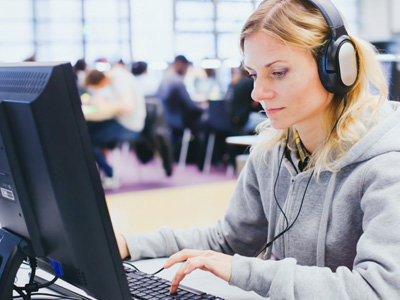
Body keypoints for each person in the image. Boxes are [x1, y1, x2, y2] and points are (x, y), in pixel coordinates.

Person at [116, 0, 400, 298]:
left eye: (278, 72)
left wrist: (246, 271)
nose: (258, 93)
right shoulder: (273, 151)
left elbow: (380, 290)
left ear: (336, 69)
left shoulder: (387, 164)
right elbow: (228, 241)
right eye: (253, 74)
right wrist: (128, 244)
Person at [84, 65, 146, 182]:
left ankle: (110, 175)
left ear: (101, 81)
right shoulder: (114, 77)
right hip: (121, 121)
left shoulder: (119, 80)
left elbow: (127, 106)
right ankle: (106, 173)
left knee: (87, 140)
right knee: (87, 130)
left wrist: (105, 106)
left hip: (130, 126)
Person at [157, 55, 204, 160]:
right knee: (204, 123)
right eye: (186, 68)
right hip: (177, 120)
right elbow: (190, 106)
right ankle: (201, 159)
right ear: (180, 65)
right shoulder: (178, 82)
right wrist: (204, 109)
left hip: (166, 118)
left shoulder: (165, 78)